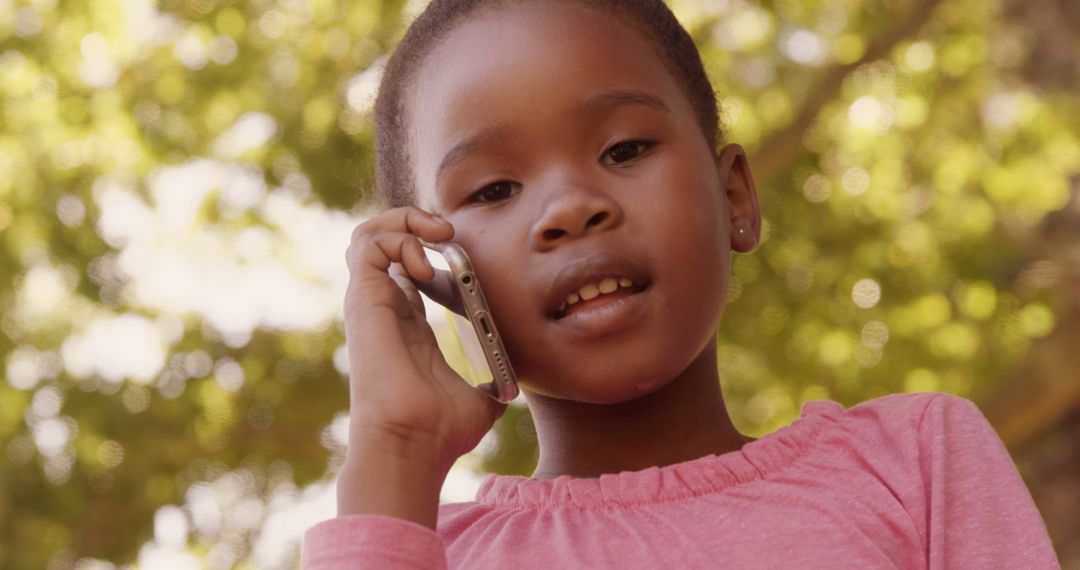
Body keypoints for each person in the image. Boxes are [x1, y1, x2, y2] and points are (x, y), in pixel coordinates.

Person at [305, 1, 1058, 568]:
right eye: (495, 190)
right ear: (434, 275)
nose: (570, 208)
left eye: (624, 148)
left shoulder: (912, 460)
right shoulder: (437, 553)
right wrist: (393, 450)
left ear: (734, 197)